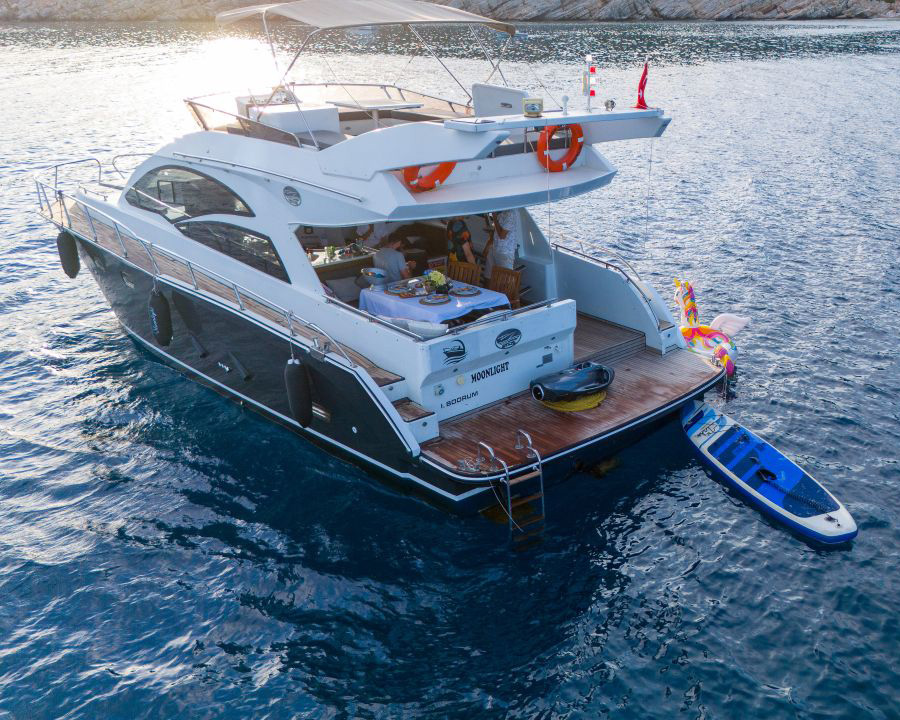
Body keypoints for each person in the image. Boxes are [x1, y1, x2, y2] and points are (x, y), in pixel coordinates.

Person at [485, 209, 520, 278]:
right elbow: (496, 230)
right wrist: (488, 245)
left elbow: (502, 235)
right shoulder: (503, 211)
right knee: (488, 276)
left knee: (505, 279)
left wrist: (494, 217)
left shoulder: (511, 214)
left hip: (505, 252)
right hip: (494, 248)